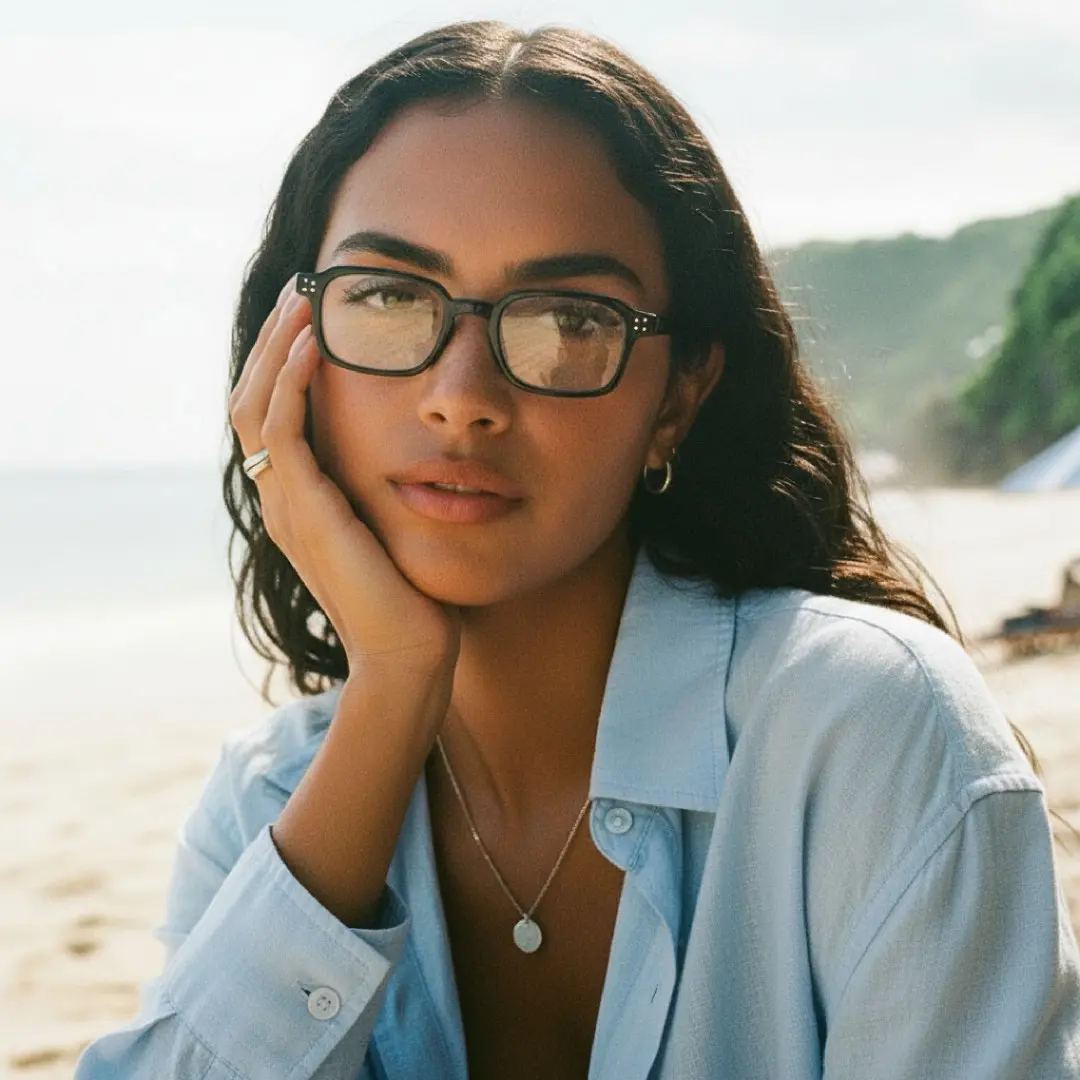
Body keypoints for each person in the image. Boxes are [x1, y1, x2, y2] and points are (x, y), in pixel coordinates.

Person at [75, 20, 1080, 1080]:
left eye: (567, 317)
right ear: (289, 356)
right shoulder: (269, 808)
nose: (462, 399)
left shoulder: (870, 732)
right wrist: (392, 689)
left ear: (678, 395)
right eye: (387, 297)